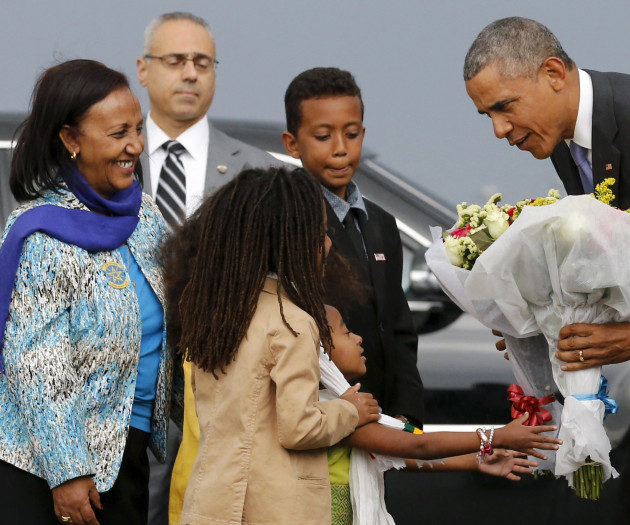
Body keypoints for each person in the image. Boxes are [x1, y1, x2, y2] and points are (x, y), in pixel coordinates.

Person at [463, 17, 630, 525]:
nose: (499, 130)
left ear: (552, 73)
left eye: (504, 107)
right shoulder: (567, 142)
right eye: (487, 116)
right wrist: (536, 321)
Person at [0, 59, 175, 525]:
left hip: (127, 455)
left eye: (138, 129)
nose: (135, 145)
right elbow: (37, 365)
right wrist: (68, 472)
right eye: (118, 133)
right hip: (50, 470)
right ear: (71, 140)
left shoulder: (146, 215)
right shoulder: (42, 233)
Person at [162, 166, 380, 524]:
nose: (328, 243)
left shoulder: (213, 313)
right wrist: (349, 410)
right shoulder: (292, 322)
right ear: (292, 241)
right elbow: (301, 428)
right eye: (320, 232)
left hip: (211, 502)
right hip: (275, 509)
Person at [135, 12, 282, 523]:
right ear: (143, 69)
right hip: (128, 378)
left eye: (202, 62)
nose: (191, 73)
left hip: (222, 376)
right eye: (175, 60)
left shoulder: (256, 171)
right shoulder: (111, 157)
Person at [322, 304, 560, 524]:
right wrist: (495, 436)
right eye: (346, 332)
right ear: (319, 350)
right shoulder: (336, 412)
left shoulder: (342, 406)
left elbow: (395, 453)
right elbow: (418, 446)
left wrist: (475, 460)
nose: (358, 338)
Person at [281, 67, 424, 429]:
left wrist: (407, 414)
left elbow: (398, 327)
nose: (341, 149)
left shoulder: (382, 223)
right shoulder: (289, 222)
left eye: (352, 133)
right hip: (327, 414)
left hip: (384, 417)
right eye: (323, 136)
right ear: (292, 143)